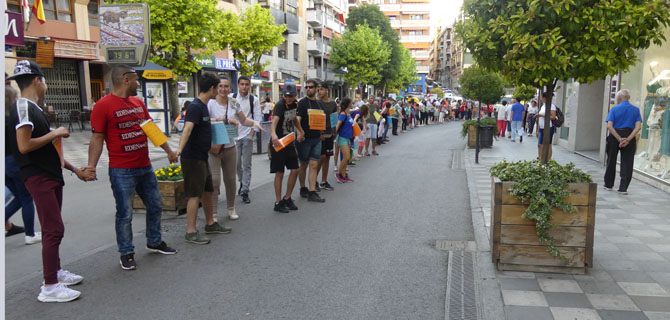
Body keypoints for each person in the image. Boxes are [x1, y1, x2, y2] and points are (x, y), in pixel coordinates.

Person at [7, 60, 92, 302]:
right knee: (54, 229)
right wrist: (55, 132)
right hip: (38, 176)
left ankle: (55, 271)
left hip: (50, 174)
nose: (45, 86)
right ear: (37, 80)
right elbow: (24, 146)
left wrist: (74, 169)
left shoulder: (33, 108)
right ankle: (50, 286)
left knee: (51, 229)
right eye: (44, 81)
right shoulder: (24, 106)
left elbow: (49, 150)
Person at [88, 64, 178, 270]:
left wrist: (168, 151)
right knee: (125, 213)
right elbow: (97, 138)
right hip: (122, 170)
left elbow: (150, 129)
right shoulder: (103, 106)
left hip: (144, 166)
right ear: (126, 80)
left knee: (155, 205)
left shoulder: (138, 102)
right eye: (137, 79)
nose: (139, 83)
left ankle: (154, 241)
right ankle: (126, 252)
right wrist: (91, 167)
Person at [177, 72, 226, 245]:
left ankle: (210, 223)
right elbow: (188, 129)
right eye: (217, 88)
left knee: (207, 191)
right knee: (194, 195)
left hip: (202, 156)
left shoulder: (203, 106)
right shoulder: (196, 106)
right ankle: (191, 232)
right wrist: (179, 150)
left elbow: (202, 126)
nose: (219, 91)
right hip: (193, 157)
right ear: (212, 88)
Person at [207, 75, 264, 222]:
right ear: (216, 87)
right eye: (220, 86)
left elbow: (243, 119)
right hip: (214, 148)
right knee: (215, 181)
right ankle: (213, 213)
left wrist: (255, 124)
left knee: (231, 180)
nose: (223, 89)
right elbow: (203, 120)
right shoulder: (210, 103)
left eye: (226, 86)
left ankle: (231, 208)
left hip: (230, 146)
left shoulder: (233, 102)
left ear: (230, 88)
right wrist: (221, 120)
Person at [5, 85, 40, 244]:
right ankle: (30, 235)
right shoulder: (13, 119)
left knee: (19, 197)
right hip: (14, 162)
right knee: (26, 197)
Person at [270, 83, 302, 213]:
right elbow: (274, 122)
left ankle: (287, 198)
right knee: (280, 172)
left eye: (291, 96)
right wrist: (273, 134)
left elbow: (294, 119)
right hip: (278, 143)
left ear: (295, 95)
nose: (288, 98)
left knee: (295, 170)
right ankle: (278, 202)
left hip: (289, 141)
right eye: (286, 96)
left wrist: (301, 131)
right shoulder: (279, 105)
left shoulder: (295, 104)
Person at [604, 89, 642, 195]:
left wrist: (619, 138)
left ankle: (608, 184)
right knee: (627, 162)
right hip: (629, 135)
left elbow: (609, 126)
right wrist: (628, 139)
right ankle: (623, 188)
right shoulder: (635, 110)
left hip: (615, 136)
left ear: (619, 98)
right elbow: (638, 127)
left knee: (611, 160)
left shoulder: (614, 109)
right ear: (628, 98)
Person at [232, 76, 262, 204]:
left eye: (246, 84)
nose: (244, 87)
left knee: (247, 164)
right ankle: (241, 182)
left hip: (247, 135)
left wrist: (251, 134)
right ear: (238, 85)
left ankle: (245, 190)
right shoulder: (231, 98)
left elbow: (257, 118)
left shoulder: (253, 100)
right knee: (237, 164)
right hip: (234, 136)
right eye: (242, 84)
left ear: (249, 86)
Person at [296, 79, 326, 203]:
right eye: (306, 87)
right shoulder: (302, 103)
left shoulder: (319, 104)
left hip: (316, 138)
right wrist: (299, 133)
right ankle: (303, 188)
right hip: (305, 139)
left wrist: (322, 133)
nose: (308, 89)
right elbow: (297, 119)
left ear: (316, 89)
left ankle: (312, 191)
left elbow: (321, 120)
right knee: (303, 165)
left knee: (314, 165)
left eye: (311, 87)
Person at [317, 83, 337, 191]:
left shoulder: (333, 104)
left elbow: (334, 117)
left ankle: (324, 181)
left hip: (330, 133)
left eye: (321, 90)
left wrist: (335, 131)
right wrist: (320, 133)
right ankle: (314, 180)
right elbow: (317, 118)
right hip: (321, 134)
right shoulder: (318, 103)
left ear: (326, 90)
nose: (319, 92)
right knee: (321, 157)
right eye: (318, 90)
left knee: (328, 157)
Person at [335, 98, 355, 183]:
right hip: (342, 137)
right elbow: (338, 125)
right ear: (348, 104)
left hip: (348, 138)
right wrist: (334, 135)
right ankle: (339, 173)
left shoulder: (348, 113)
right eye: (351, 102)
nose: (352, 103)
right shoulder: (343, 114)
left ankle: (343, 175)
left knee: (347, 158)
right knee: (346, 157)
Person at [536, 92, 558, 160]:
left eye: (542, 97)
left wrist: (541, 115)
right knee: (540, 145)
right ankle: (540, 159)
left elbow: (553, 117)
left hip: (549, 127)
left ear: (545, 98)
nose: (541, 99)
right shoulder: (543, 106)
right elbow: (541, 119)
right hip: (541, 128)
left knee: (548, 145)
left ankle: (548, 160)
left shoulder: (551, 106)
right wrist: (538, 129)